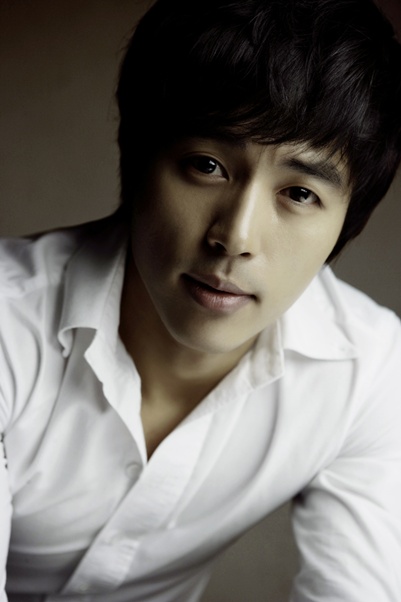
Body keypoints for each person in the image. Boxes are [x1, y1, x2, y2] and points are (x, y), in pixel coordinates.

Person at [1, 0, 401, 600]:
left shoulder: (366, 372)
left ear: (347, 221)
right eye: (207, 165)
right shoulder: (10, 324)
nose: (236, 238)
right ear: (139, 159)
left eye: (299, 194)